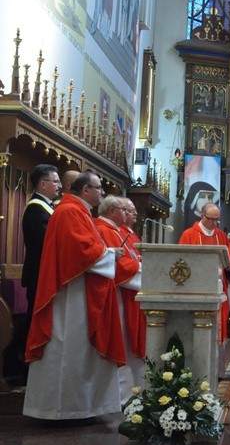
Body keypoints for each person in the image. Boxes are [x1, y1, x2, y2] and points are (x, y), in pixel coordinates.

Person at [24, 172, 125, 421]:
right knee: (68, 349)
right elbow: (79, 251)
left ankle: (77, 407)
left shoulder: (76, 211)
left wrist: (107, 253)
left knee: (75, 350)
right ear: (85, 190)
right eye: (98, 187)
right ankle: (64, 409)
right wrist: (110, 255)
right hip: (71, 292)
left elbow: (86, 248)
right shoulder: (70, 211)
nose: (102, 193)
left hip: (78, 287)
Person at [14, 164, 60, 384]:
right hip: (39, 275)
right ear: (43, 184)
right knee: (34, 321)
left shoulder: (47, 208)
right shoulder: (36, 210)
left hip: (44, 275)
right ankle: (24, 370)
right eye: (56, 182)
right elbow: (44, 245)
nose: (60, 186)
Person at [95, 195, 143, 399]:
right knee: (121, 343)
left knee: (126, 343)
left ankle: (131, 392)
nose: (127, 214)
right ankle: (122, 395)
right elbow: (120, 266)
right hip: (117, 294)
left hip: (127, 293)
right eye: (123, 210)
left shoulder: (116, 231)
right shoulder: (104, 230)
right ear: (111, 211)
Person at [178, 203, 230, 344]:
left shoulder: (221, 236)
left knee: (217, 332)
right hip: (196, 288)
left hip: (218, 287)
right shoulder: (189, 234)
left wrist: (228, 268)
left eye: (217, 219)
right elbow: (181, 261)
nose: (214, 223)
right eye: (211, 219)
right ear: (202, 215)